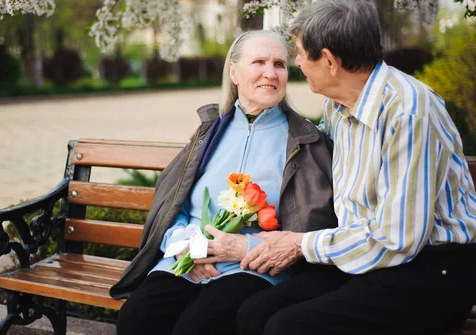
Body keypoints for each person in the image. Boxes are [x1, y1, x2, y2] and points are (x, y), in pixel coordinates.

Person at [230, 0, 476, 335]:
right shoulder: (340, 104)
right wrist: (228, 129)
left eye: (302, 53)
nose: (298, 63)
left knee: (287, 327)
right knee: (253, 312)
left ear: (330, 61)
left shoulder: (408, 112)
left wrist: (300, 244)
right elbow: (307, 148)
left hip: (429, 272)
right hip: (362, 258)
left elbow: (398, 239)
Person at [111, 30, 338, 335]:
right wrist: (184, 246)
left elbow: (309, 228)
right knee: (137, 319)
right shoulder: (208, 133)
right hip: (185, 263)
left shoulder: (306, 140)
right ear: (234, 71)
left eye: (280, 65)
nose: (270, 73)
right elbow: (174, 204)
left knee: (199, 326)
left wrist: (244, 247)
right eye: (258, 62)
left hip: (253, 270)